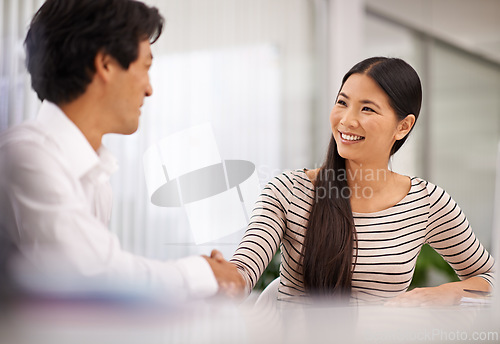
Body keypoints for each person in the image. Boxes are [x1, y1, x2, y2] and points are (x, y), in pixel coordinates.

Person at [0, 0, 243, 300]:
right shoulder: (25, 155)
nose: (149, 88)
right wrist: (206, 274)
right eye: (145, 67)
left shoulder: (95, 177)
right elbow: (93, 275)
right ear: (106, 65)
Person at [230, 57, 495, 305]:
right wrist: (218, 278)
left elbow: (490, 277)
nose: (346, 120)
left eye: (367, 108)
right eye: (342, 103)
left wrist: (439, 294)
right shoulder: (288, 191)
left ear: (403, 126)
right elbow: (243, 271)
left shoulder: (427, 202)